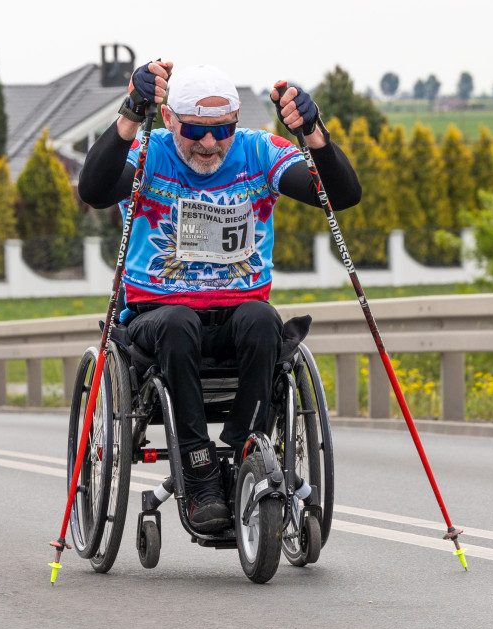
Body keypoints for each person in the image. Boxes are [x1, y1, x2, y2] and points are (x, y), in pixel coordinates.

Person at [78, 61, 361, 532]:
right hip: (160, 316)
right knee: (177, 324)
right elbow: (94, 188)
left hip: (237, 314)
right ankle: (199, 467)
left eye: (221, 130)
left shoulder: (257, 152)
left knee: (263, 320)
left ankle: (244, 445)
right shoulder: (150, 151)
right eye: (194, 130)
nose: (209, 144)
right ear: (169, 121)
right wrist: (130, 112)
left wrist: (313, 132)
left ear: (236, 123)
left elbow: (341, 195)